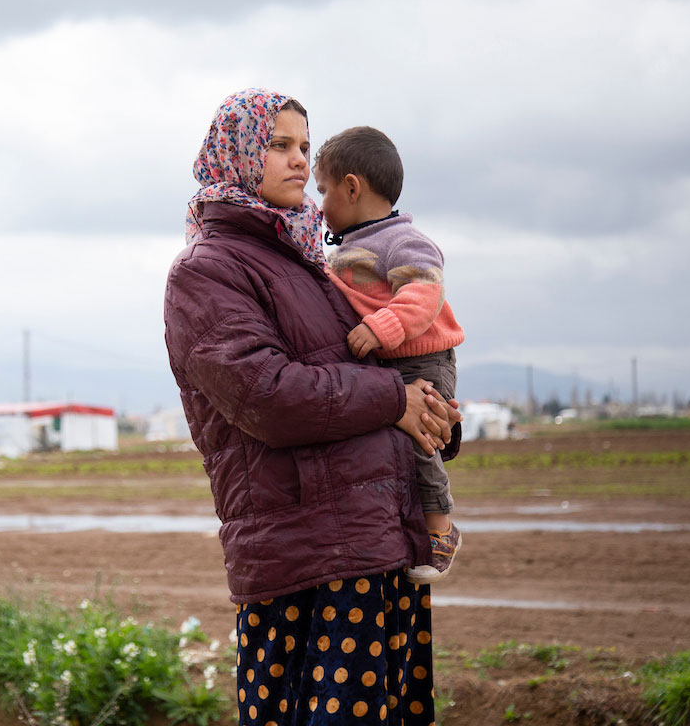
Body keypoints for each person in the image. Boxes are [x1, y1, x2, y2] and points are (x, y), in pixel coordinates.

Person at [164, 89, 457, 725]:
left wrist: (430, 411)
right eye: (278, 146)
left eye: (303, 145)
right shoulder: (208, 271)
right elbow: (267, 396)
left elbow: (384, 369)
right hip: (307, 563)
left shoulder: (311, 263)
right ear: (235, 157)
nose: (300, 160)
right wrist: (393, 400)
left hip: (378, 543)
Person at [315, 126, 465, 584]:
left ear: (352, 187)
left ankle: (440, 528)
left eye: (322, 191)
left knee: (419, 441)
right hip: (393, 362)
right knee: (399, 442)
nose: (318, 205)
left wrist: (383, 327)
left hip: (423, 358)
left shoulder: (403, 240)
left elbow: (425, 290)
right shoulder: (349, 248)